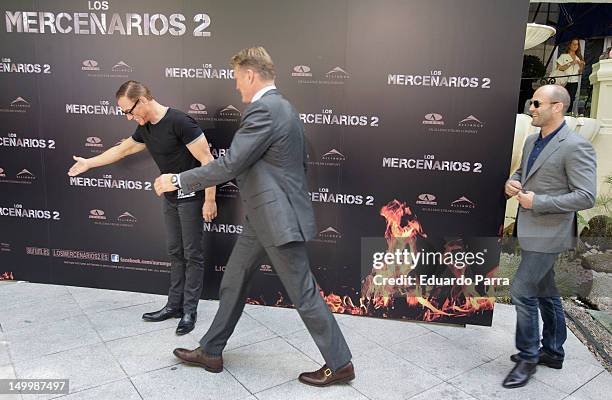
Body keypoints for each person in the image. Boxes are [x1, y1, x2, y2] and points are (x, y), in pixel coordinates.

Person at [154, 47, 355, 386]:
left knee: (303, 293)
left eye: (237, 79)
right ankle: (212, 350)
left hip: (276, 221)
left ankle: (340, 364)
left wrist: (177, 180)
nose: (236, 87)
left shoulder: (263, 110)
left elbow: (231, 163)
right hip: (265, 218)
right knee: (233, 281)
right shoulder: (284, 107)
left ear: (249, 74)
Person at [68, 81, 217, 335]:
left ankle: (189, 310)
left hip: (192, 195)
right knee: (175, 250)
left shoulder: (181, 122)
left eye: (129, 111)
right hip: (169, 196)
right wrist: (89, 163)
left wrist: (210, 199)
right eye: (124, 113)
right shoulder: (145, 127)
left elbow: (207, 161)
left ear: (144, 100)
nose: (128, 117)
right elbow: (121, 150)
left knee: (192, 254)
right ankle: (174, 305)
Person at [503, 84, 596, 388]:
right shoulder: (532, 140)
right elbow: (522, 174)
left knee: (521, 291)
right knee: (545, 290)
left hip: (550, 233)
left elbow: (585, 196)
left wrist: (537, 202)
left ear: (557, 107)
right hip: (529, 230)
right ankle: (553, 351)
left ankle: (528, 357)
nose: (531, 107)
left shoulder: (575, 146)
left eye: (536, 103)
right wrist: (512, 183)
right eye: (531, 103)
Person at [553, 38, 585, 113]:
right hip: (563, 81)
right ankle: (558, 113)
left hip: (574, 81)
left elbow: (580, 72)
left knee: (571, 99)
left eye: (577, 44)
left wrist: (581, 66)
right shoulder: (563, 56)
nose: (575, 46)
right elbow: (559, 68)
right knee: (561, 98)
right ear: (569, 45)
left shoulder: (579, 58)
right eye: (573, 44)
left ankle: (568, 114)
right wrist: (570, 63)